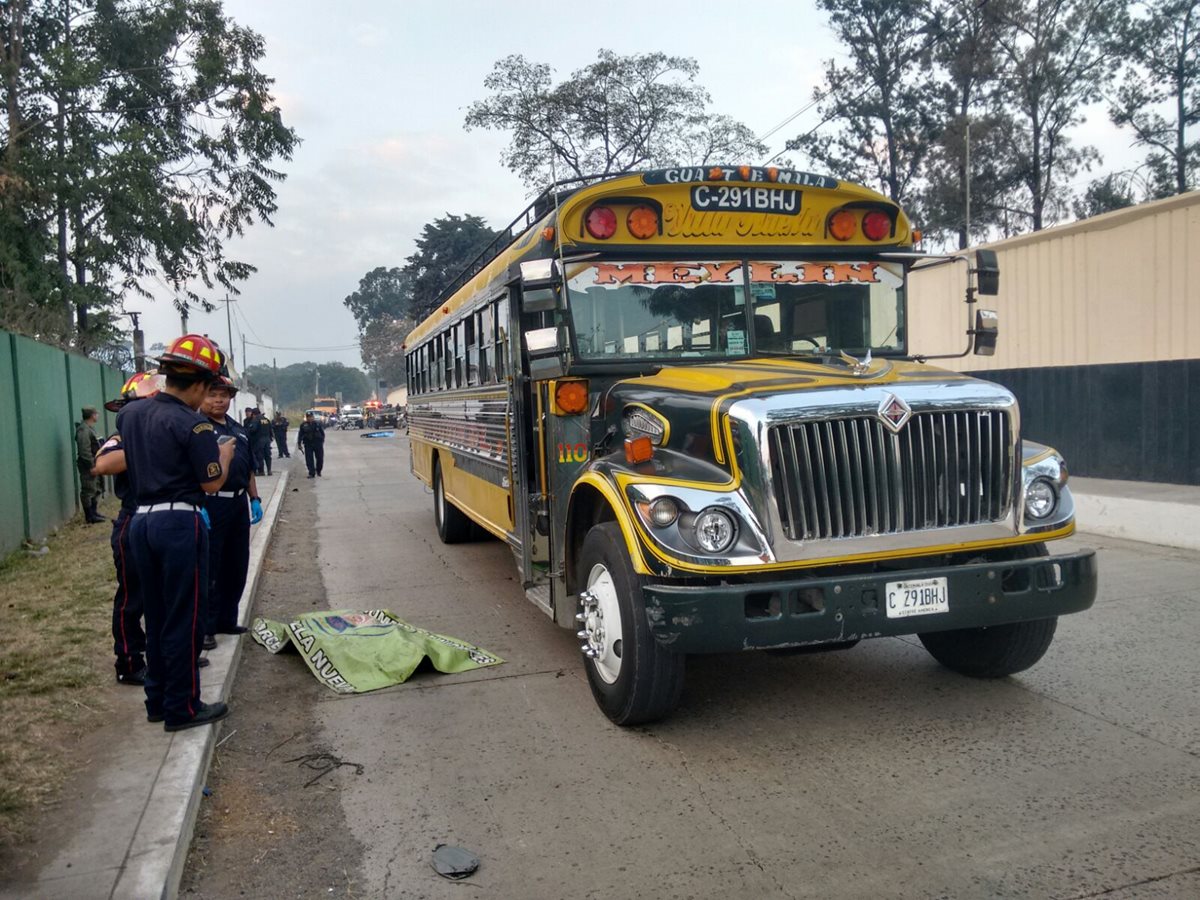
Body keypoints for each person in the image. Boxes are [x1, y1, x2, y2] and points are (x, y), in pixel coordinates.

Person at [119, 334, 236, 732]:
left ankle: (157, 700)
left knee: (155, 614)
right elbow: (211, 483)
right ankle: (182, 707)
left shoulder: (131, 415)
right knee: (185, 617)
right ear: (201, 385)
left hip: (140, 521)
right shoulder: (194, 424)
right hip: (179, 524)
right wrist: (223, 455)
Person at [94, 372, 165, 686]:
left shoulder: (169, 429)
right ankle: (129, 661)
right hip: (133, 520)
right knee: (132, 597)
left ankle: (164, 654)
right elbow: (103, 465)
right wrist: (146, 445)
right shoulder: (121, 437)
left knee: (164, 594)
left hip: (164, 521)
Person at [199, 376, 261, 651]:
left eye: (223, 395)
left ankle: (227, 619)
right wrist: (198, 504)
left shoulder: (238, 429)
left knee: (237, 563)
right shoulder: (197, 429)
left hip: (238, 504)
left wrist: (254, 498)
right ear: (201, 396)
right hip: (211, 504)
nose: (218, 400)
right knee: (210, 566)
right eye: (212, 395)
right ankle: (207, 627)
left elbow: (248, 468)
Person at [75, 407, 106, 523]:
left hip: (95, 462)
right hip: (88, 465)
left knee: (96, 487)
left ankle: (94, 512)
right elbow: (84, 451)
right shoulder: (83, 430)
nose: (98, 415)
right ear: (92, 415)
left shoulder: (89, 428)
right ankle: (89, 516)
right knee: (88, 489)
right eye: (96, 414)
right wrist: (91, 465)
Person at [296, 411, 325, 478]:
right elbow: (300, 435)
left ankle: (318, 470)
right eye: (308, 417)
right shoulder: (303, 425)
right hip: (308, 444)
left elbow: (322, 433)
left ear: (313, 417)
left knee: (320, 458)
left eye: (311, 417)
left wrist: (322, 441)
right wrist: (299, 443)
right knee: (309, 459)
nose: (310, 418)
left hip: (317, 443)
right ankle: (311, 473)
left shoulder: (317, 424)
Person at [243, 406, 262, 475]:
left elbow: (254, 429)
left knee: (258, 455)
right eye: (246, 413)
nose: (247, 414)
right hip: (249, 439)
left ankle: (260, 470)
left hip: (256, 439)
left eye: (248, 412)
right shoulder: (245, 420)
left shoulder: (254, 420)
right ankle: (254, 470)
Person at [255, 408, 274, 475]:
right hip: (267, 439)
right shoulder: (266, 420)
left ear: (254, 414)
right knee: (268, 455)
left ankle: (261, 471)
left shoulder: (256, 420)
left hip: (259, 440)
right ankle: (269, 470)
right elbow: (270, 429)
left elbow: (253, 429)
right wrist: (271, 438)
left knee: (260, 456)